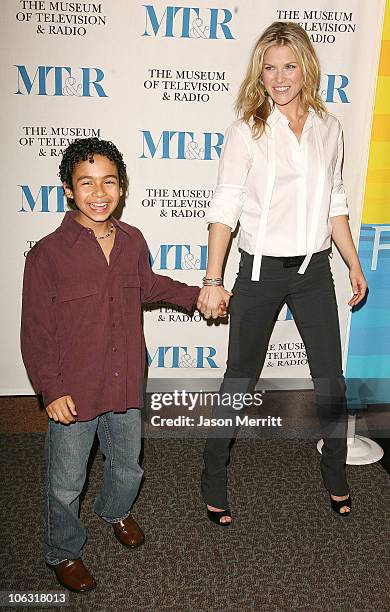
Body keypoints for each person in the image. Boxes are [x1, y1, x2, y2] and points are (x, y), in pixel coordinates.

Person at [197, 21, 367, 526]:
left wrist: (353, 263)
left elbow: (335, 201)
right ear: (260, 73)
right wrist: (213, 279)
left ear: (306, 68)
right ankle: (212, 477)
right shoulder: (246, 130)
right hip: (258, 272)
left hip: (315, 271)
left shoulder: (328, 128)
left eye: (289, 65)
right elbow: (225, 205)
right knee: (239, 381)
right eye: (270, 68)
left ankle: (336, 476)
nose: (280, 77)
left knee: (330, 381)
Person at [20, 138, 201, 592]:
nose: (98, 192)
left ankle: (115, 510)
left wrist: (199, 295)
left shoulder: (133, 240)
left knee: (128, 465)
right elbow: (36, 329)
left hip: (123, 383)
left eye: (109, 182)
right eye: (86, 182)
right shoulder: (48, 253)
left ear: (121, 187)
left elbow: (149, 284)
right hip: (73, 390)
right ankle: (62, 550)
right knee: (66, 482)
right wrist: (50, 388)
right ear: (67, 189)